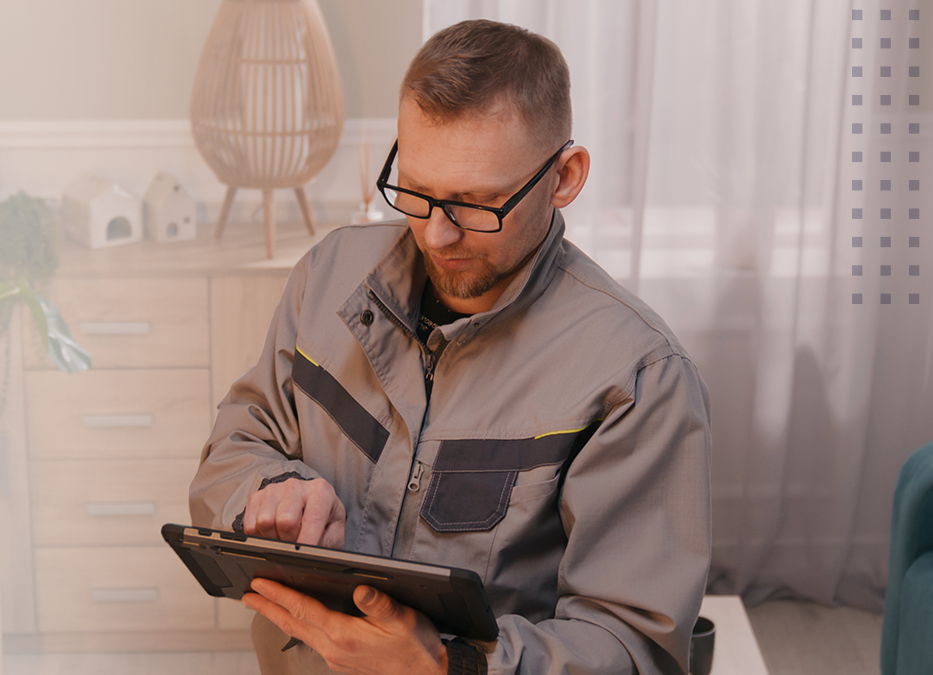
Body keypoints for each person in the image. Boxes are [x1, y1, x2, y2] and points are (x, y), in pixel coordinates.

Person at [190, 19, 711, 675]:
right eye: (416, 189)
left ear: (564, 176)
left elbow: (633, 648)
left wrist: (449, 665)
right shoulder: (325, 277)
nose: (436, 234)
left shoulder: (638, 377)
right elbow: (237, 440)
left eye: (477, 202)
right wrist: (271, 490)